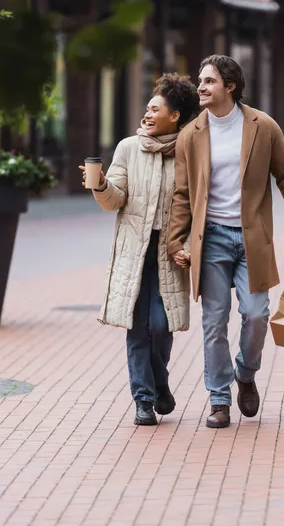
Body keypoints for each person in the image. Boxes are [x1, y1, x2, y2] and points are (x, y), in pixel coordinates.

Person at [168, 55, 284, 429]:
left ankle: (246, 373)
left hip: (252, 238)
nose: (201, 87)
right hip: (213, 240)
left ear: (230, 86)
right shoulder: (191, 134)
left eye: (209, 81)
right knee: (214, 322)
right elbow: (182, 194)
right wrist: (176, 242)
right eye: (201, 81)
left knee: (256, 315)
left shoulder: (262, 127)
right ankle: (219, 398)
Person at [80, 74, 199, 426]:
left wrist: (189, 246)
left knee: (161, 326)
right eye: (146, 108)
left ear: (175, 116)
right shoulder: (128, 148)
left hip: (169, 252)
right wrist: (101, 184)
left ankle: (160, 382)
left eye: (154, 108)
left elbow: (196, 206)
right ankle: (144, 399)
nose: (146, 114)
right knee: (137, 326)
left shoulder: (189, 151)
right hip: (135, 251)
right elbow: (115, 199)